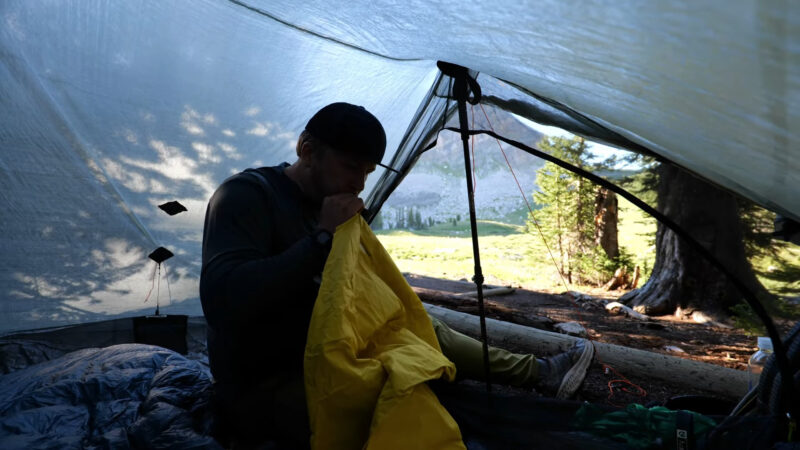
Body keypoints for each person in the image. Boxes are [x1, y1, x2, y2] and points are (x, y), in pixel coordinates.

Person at [200, 102, 593, 448]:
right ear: (307, 149)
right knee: (410, 400)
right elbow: (224, 301)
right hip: (268, 380)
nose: (359, 182)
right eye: (351, 166)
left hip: (331, 350)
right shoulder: (246, 196)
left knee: (416, 325)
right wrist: (321, 239)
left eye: (367, 172)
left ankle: (539, 373)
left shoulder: (325, 202)